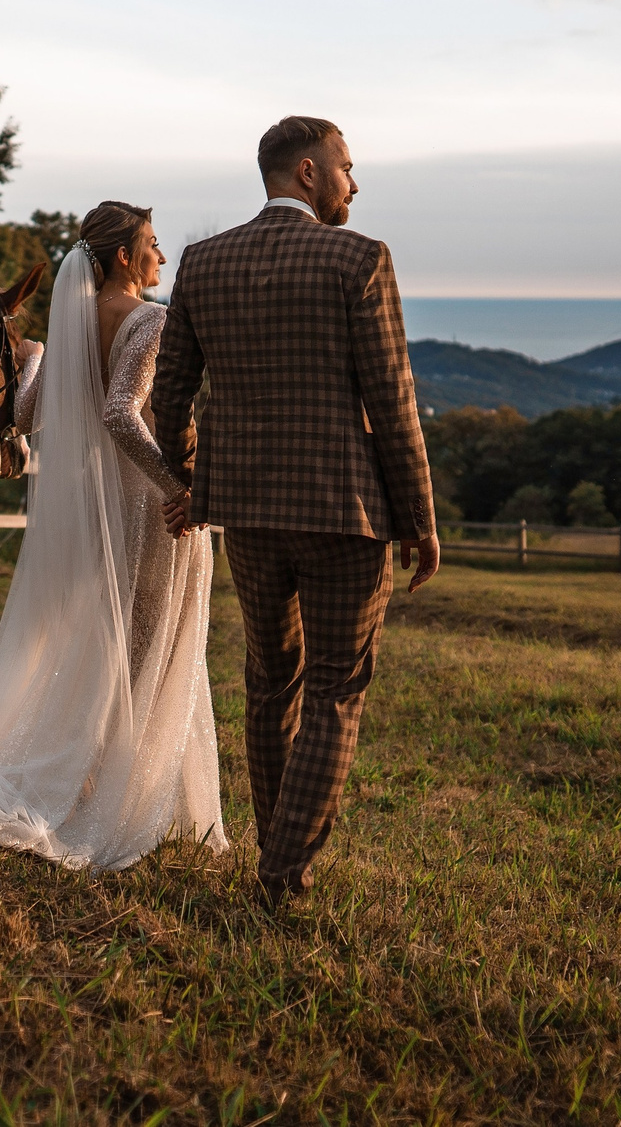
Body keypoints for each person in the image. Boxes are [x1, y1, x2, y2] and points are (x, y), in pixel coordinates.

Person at [150, 115, 437, 907]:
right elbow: (393, 396)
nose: (354, 183)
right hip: (345, 514)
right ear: (308, 174)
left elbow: (170, 393)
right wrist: (419, 518)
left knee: (271, 681)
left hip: (246, 512)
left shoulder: (203, 263)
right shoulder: (359, 258)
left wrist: (193, 484)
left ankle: (274, 853)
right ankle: (282, 873)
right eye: (347, 167)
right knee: (336, 688)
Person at [0, 202, 227, 870]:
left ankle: (94, 781)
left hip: (96, 506)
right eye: (153, 247)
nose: (162, 259)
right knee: (149, 652)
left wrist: (42, 359)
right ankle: (113, 796)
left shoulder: (71, 328)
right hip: (149, 511)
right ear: (126, 259)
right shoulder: (152, 321)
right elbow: (120, 415)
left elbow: (22, 413)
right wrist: (178, 490)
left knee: (110, 645)